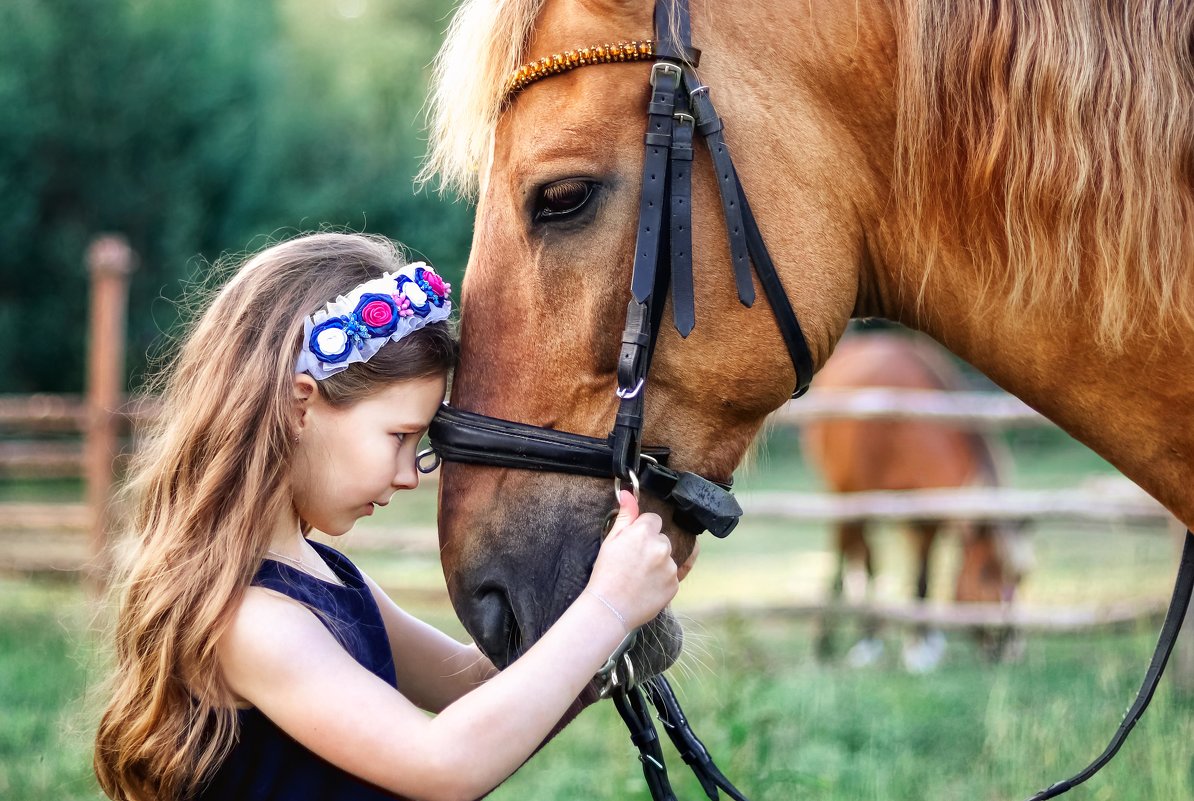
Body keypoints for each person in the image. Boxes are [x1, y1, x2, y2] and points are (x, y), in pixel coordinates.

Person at [93, 232, 682, 801]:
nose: (410, 474)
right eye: (399, 436)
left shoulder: (328, 577)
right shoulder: (247, 622)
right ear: (301, 405)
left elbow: (479, 688)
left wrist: (613, 622)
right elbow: (444, 763)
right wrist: (607, 607)